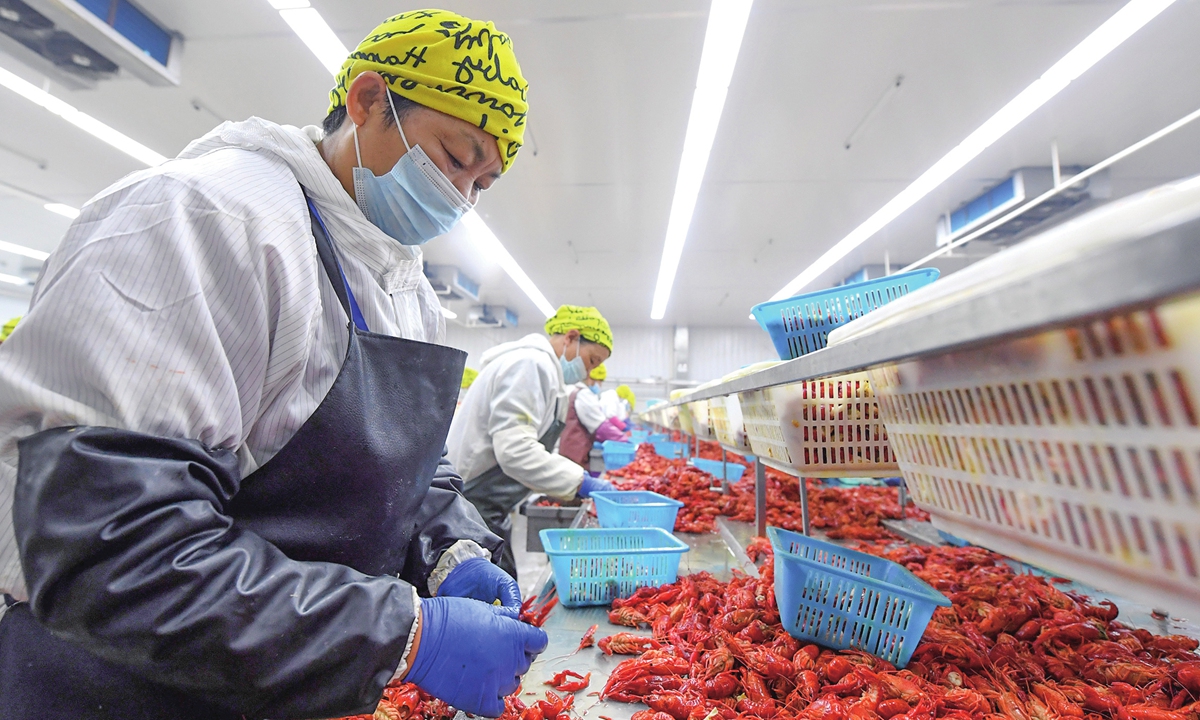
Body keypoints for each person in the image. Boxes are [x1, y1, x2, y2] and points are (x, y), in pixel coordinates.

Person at [0, 10, 546, 720]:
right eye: (453, 157)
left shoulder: (403, 286)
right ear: (368, 101)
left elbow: (412, 469)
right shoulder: (207, 220)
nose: (461, 198)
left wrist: (456, 550)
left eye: (483, 183)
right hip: (115, 689)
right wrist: (405, 636)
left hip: (275, 679)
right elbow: (110, 548)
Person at [447, 305, 617, 577]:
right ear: (571, 338)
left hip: (486, 502)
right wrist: (581, 481)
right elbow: (515, 450)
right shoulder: (530, 365)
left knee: (499, 587)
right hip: (471, 501)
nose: (588, 373)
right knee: (492, 595)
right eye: (592, 360)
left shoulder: (546, 372)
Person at [559, 364, 627, 469]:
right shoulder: (583, 394)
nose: (599, 385)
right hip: (575, 453)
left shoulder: (571, 390)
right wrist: (623, 439)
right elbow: (600, 426)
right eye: (600, 382)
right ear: (591, 377)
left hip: (567, 449)